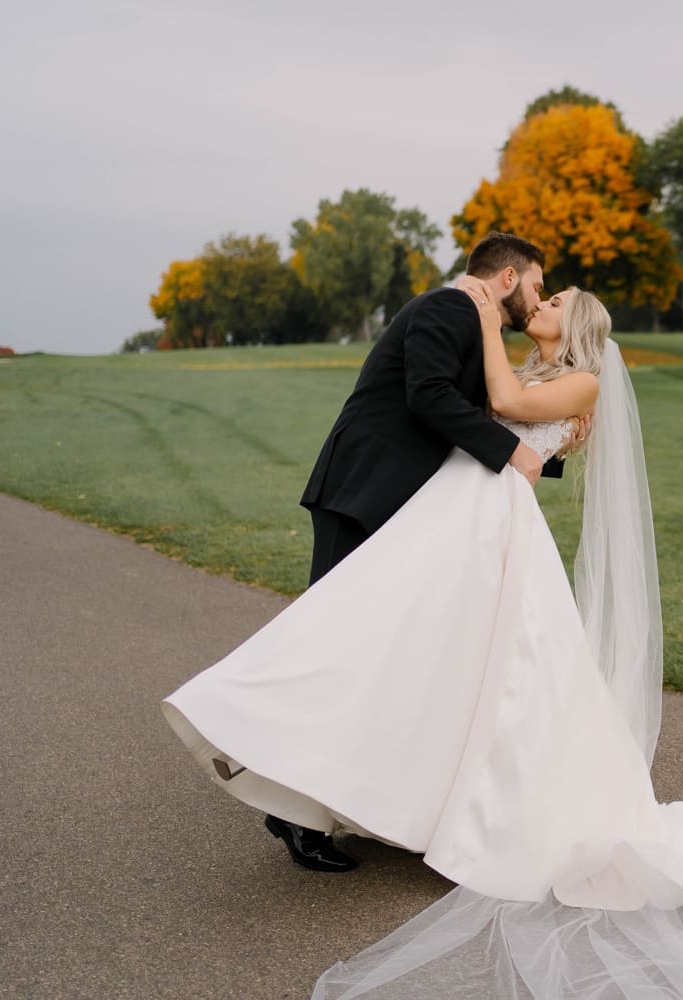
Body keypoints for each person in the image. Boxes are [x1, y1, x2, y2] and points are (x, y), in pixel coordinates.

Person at [161, 269, 683, 997]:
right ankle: (323, 769)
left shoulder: (583, 382)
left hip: (490, 521)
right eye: (539, 291)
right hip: (457, 510)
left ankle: (443, 805)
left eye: (555, 300)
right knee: (405, 647)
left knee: (489, 670)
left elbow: (505, 406)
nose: (540, 301)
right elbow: (480, 408)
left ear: (579, 324)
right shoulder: (534, 367)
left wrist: (484, 315)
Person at [266, 232, 575, 872]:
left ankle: (328, 799)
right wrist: (515, 453)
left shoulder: (470, 319)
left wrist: (547, 453)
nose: (538, 297)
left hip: (393, 504)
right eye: (538, 285)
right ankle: (294, 813)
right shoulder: (447, 307)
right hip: (361, 493)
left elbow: (474, 409)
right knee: (334, 653)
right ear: (509, 277)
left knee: (372, 657)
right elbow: (429, 395)